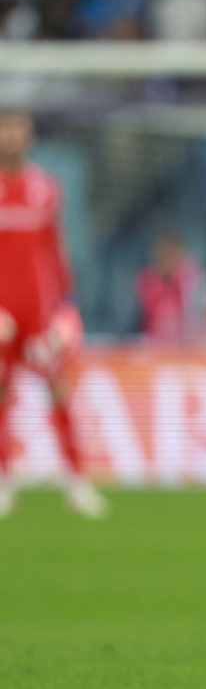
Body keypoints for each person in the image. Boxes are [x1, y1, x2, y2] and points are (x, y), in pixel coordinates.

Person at [0, 110, 106, 519]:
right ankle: (4, 480)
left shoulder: (45, 188)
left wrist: (63, 308)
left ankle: (76, 480)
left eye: (19, 130)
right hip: (2, 313)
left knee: (59, 388)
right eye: (6, 130)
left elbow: (53, 253)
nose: (13, 137)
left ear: (29, 137)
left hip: (39, 314)